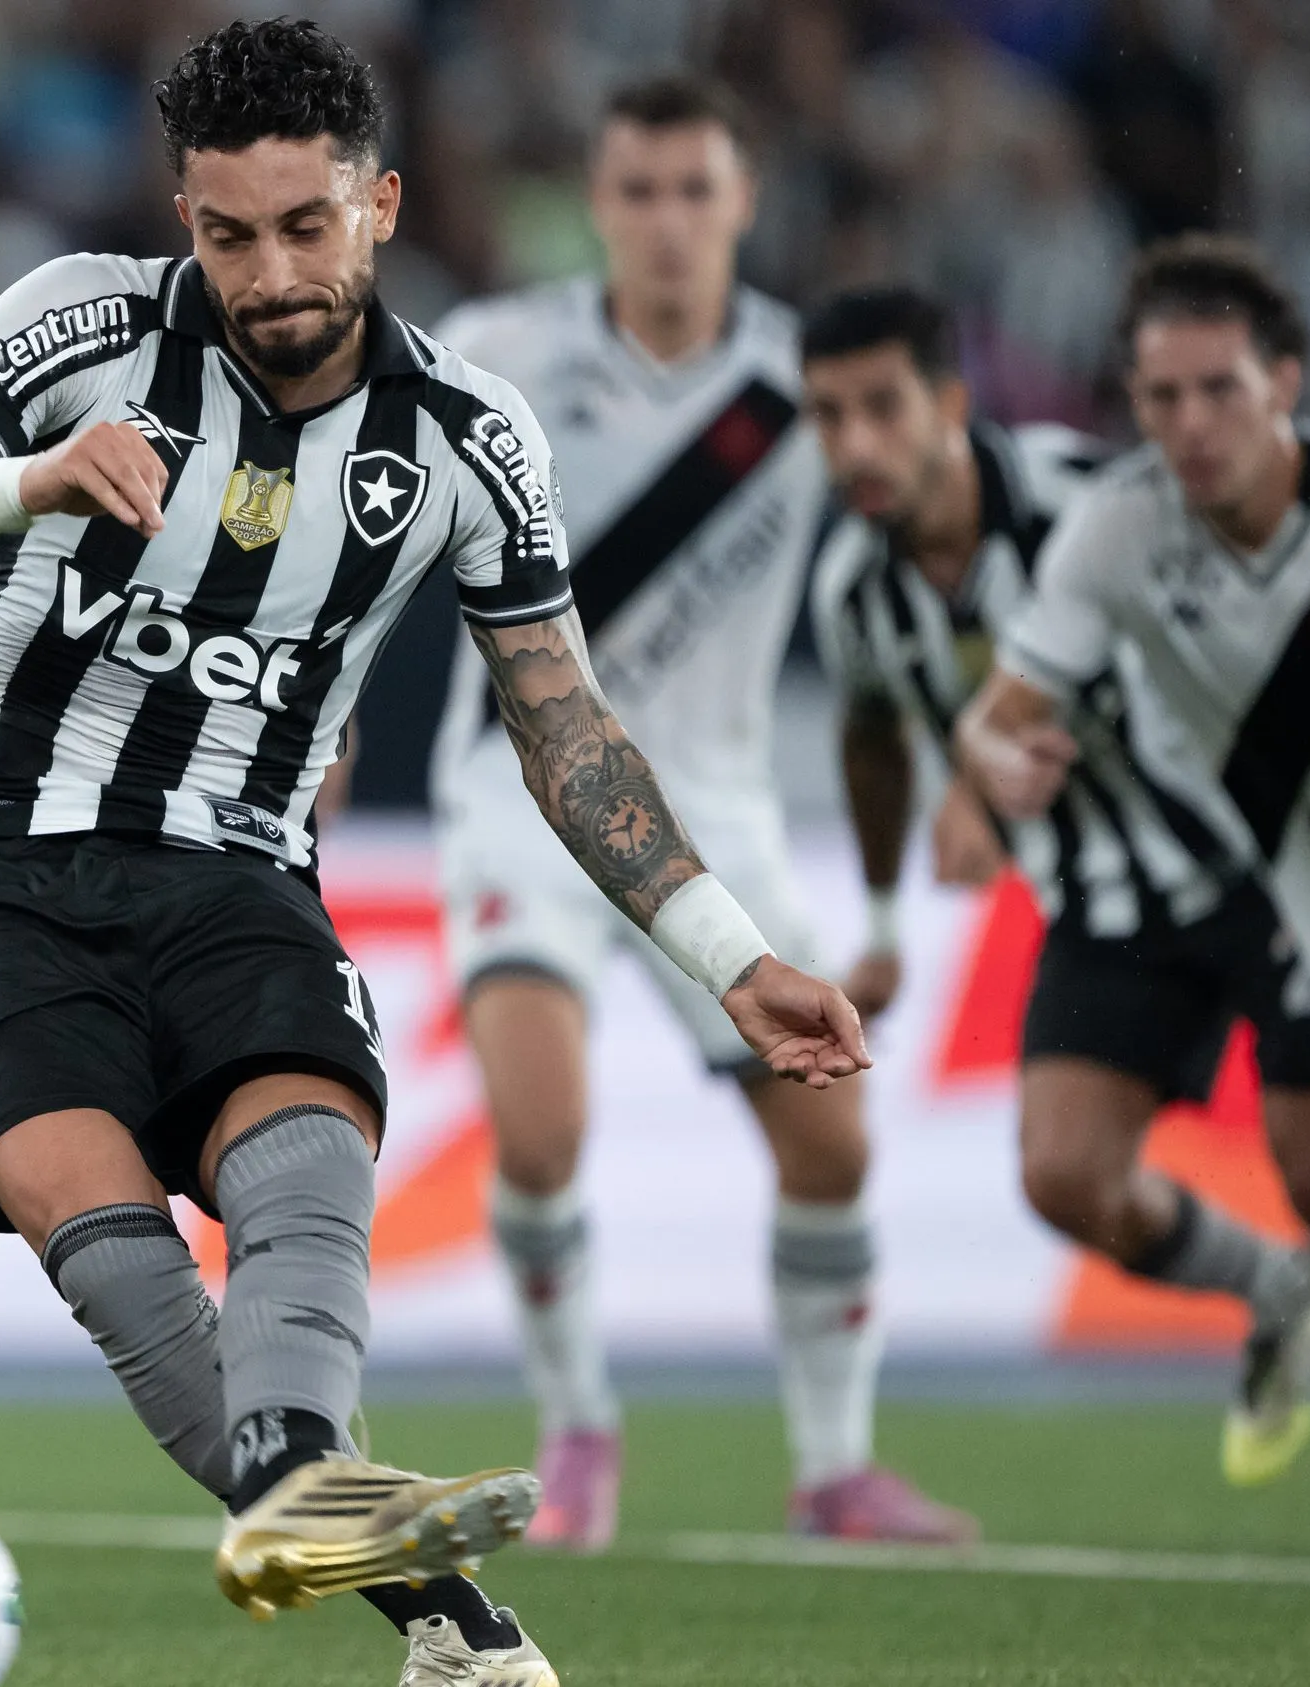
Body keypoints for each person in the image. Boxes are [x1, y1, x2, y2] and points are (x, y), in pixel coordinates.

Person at [0, 21, 870, 1684]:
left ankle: (347, 1534)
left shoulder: (468, 438)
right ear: (184, 218)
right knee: (131, 1275)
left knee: (300, 1181)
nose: (268, 270)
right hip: (4, 876)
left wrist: (732, 957)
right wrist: (29, 479)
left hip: (239, 881)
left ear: (381, 206)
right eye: (227, 235)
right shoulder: (83, 323)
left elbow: (565, 732)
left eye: (306, 227)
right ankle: (449, 1624)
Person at [802, 281, 1310, 1506]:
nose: (855, 445)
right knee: (1064, 1176)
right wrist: (890, 917)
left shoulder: (1093, 505)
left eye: (881, 408)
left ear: (951, 404)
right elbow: (869, 736)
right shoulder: (854, 590)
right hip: (1106, 905)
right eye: (827, 417)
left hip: (1270, 878)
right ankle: (1274, 1288)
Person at [425, 76, 970, 1549]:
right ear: (598, 205)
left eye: (695, 191)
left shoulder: (812, 386)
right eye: (639, 191)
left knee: (836, 1152)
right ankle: (580, 1422)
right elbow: (374, 538)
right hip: (518, 787)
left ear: (741, 203)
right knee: (541, 1130)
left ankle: (834, 1466)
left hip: (717, 802)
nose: (667, 222)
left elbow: (919, 552)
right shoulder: (496, 356)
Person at [960, 235, 1310, 1576]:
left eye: (1220, 390)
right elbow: (1003, 712)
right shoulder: (1122, 532)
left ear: (1287, 383)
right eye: (1162, 398)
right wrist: (1000, 757)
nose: (1191, 425)